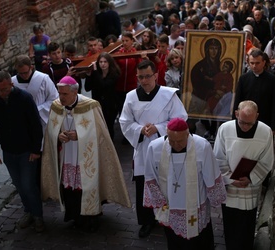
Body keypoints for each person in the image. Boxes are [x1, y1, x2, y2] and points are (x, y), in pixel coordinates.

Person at [40, 76, 131, 232]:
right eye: (59, 93)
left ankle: (91, 217)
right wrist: (58, 136)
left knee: (87, 186)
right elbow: (51, 130)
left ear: (75, 92)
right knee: (69, 187)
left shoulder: (90, 106)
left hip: (87, 158)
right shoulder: (56, 106)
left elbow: (101, 134)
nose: (60, 97)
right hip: (67, 155)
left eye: (64, 94)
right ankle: (74, 216)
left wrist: (80, 136)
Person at [119, 60, 188, 238]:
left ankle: (167, 216)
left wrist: (158, 128)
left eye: (148, 76)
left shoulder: (169, 95)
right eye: (140, 77)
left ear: (156, 75)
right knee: (144, 185)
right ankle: (146, 221)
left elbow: (180, 118)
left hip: (165, 146)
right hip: (142, 147)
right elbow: (125, 121)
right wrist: (140, 130)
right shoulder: (131, 97)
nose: (144, 80)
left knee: (165, 182)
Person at [144, 117, 227, 249]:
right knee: (175, 242)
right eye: (172, 141)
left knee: (200, 242)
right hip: (170, 205)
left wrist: (215, 197)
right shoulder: (155, 147)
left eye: (180, 141)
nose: (176, 145)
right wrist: (159, 200)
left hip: (196, 205)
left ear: (188, 135)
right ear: (167, 134)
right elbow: (150, 176)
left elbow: (211, 173)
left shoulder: (202, 146)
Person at [0, 71, 44, 232]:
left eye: (4, 89)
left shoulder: (24, 98)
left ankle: (38, 215)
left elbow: (35, 125)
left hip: (26, 150)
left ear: (11, 85)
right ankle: (28, 211)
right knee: (18, 184)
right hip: (8, 150)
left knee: (28, 184)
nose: (1, 93)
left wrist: (36, 149)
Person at [213, 100, 274, 250]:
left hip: (250, 186)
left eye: (250, 123)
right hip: (230, 187)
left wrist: (251, 178)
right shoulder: (225, 129)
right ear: (236, 114)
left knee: (247, 222)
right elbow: (218, 157)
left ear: (257, 116)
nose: (245, 127)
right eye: (242, 122)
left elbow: (267, 160)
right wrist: (229, 178)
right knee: (231, 222)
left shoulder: (265, 132)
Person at [233, 48, 275, 134]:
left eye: (257, 63)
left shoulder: (272, 80)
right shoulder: (244, 79)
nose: (254, 66)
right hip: (246, 121)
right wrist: (234, 121)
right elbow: (238, 100)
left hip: (265, 120)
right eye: (252, 63)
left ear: (263, 63)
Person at [12, 55, 58, 131]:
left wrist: (36, 110)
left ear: (31, 67)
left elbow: (54, 99)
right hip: (21, 122)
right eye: (20, 73)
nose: (23, 75)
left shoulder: (43, 79)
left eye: (25, 72)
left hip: (42, 120)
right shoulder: (13, 82)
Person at [85, 52, 121, 139]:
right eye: (101, 62)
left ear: (109, 63)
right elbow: (87, 88)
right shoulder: (95, 73)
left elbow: (104, 85)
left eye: (105, 62)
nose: (103, 64)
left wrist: (96, 72)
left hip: (110, 105)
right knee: (98, 127)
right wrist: (89, 76)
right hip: (98, 103)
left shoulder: (114, 74)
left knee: (109, 126)